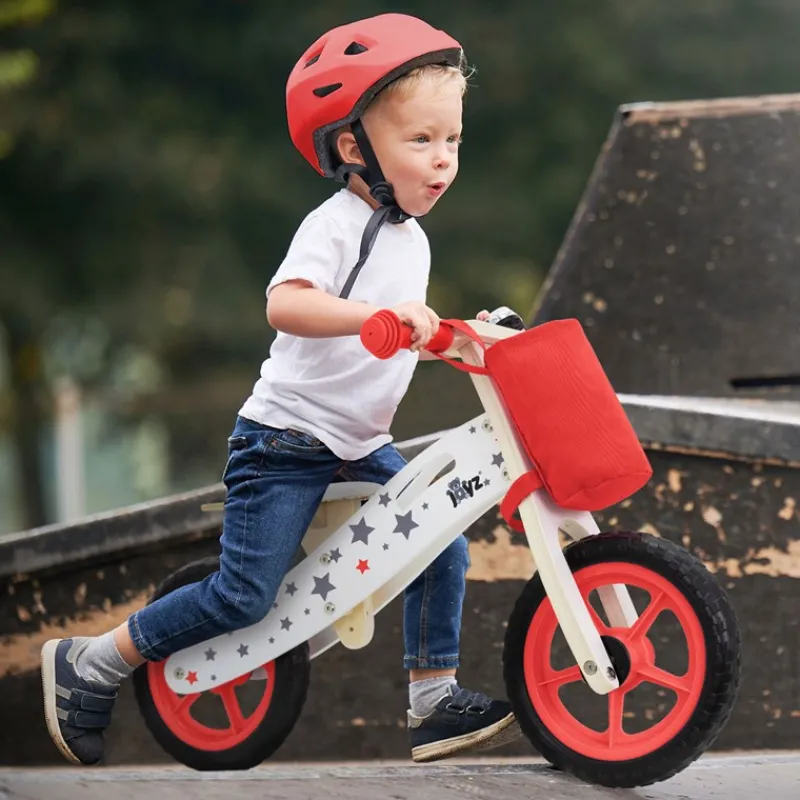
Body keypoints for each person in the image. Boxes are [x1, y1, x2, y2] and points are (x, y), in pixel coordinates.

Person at [40, 12, 521, 767]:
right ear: (355, 145)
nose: (442, 160)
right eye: (421, 141)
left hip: (359, 446)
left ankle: (432, 699)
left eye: (452, 140)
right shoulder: (336, 223)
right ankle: (92, 662)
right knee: (242, 598)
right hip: (285, 444)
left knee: (442, 540)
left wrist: (461, 337)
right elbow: (287, 304)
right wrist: (381, 317)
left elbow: (390, 340)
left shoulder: (411, 239)